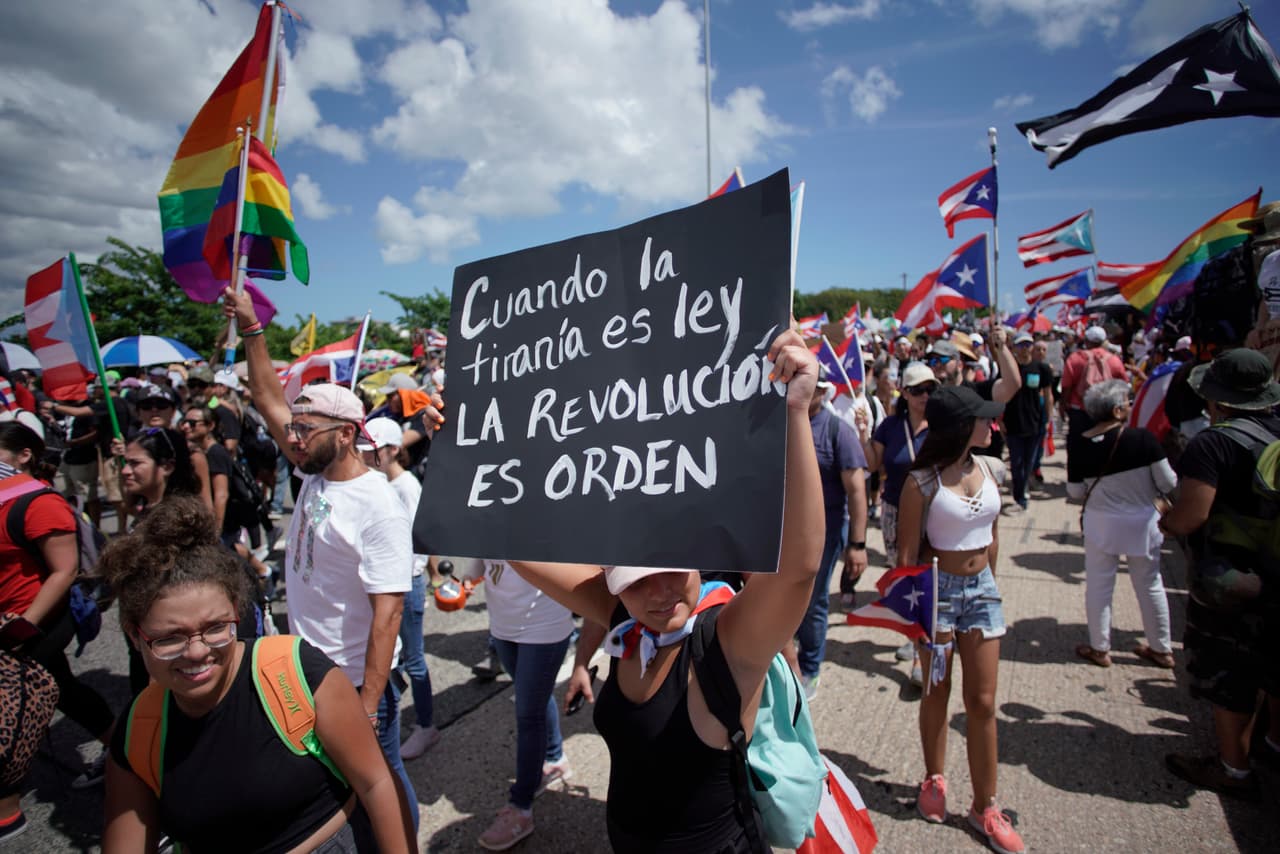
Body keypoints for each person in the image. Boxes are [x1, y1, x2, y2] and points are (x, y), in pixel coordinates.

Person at [508, 328, 824, 852]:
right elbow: (513, 545)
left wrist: (795, 413)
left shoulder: (728, 644)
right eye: (636, 582)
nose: (658, 594)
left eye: (672, 570)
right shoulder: (624, 618)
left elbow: (798, 569)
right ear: (614, 584)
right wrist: (472, 441)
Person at [99, 496, 416, 853]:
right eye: (170, 638)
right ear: (134, 636)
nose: (197, 651)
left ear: (236, 612)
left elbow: (376, 782)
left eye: (215, 628)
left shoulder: (294, 672)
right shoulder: (139, 730)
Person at [226, 286, 420, 826]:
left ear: (346, 434)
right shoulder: (313, 469)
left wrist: (367, 704)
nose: (293, 437)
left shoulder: (377, 504)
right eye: (295, 427)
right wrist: (252, 329)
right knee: (338, 784)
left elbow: (389, 614)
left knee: (381, 781)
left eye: (305, 429)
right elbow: (267, 397)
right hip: (304, 667)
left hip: (354, 681)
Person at [897, 386, 1025, 854]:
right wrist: (914, 621)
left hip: (982, 592)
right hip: (937, 594)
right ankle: (934, 779)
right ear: (959, 426)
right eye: (983, 418)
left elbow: (993, 534)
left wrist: (991, 583)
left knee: (983, 702)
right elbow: (905, 557)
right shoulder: (921, 482)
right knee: (937, 690)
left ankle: (985, 806)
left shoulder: (991, 469)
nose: (992, 425)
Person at [1159, 349, 1280, 799]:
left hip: (1231, 580)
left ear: (1216, 397)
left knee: (1229, 675)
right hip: (1276, 573)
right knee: (1274, 666)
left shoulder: (1213, 444)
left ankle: (1234, 769)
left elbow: (1191, 515)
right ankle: (1273, 744)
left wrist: (1167, 520)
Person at [0, 422, 117, 790]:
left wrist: (22, 627)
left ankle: (125, 755)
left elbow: (64, 571)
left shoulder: (40, 502)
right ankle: (123, 752)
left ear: (24, 456)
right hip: (10, 618)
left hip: (36, 619)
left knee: (57, 689)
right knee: (62, 688)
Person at [1067, 380, 1176, 669]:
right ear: (1117, 410)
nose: (1130, 405)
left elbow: (1075, 492)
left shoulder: (1080, 443)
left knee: (1099, 585)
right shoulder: (1144, 439)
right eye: (1127, 401)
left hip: (1100, 524)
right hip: (1144, 523)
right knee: (1150, 584)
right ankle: (1161, 648)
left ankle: (1100, 647)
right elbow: (1168, 482)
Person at [472, 559, 575, 851]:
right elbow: (479, 556)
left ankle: (521, 808)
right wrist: (467, 575)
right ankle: (555, 758)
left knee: (528, 714)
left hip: (544, 625)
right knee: (534, 697)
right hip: (502, 623)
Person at [356, 417, 440, 760]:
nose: (365, 456)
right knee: (395, 657)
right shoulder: (376, 484)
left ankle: (426, 725)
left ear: (393, 450)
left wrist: (425, 574)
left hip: (407, 583)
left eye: (373, 450)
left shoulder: (406, 486)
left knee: (413, 658)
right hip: (389, 583)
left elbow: (422, 535)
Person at [859, 362, 935, 682]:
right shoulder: (890, 426)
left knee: (927, 576)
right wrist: (863, 434)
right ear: (904, 392)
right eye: (917, 390)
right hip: (894, 511)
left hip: (933, 510)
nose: (925, 396)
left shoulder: (941, 426)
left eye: (930, 389)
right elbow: (872, 464)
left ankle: (922, 652)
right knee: (904, 575)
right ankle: (914, 636)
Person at [797, 379, 867, 698]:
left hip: (825, 533)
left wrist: (857, 544)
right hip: (786, 533)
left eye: (810, 384)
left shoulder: (839, 431)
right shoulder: (781, 423)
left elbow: (857, 491)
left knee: (813, 600)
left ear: (823, 392)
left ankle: (810, 668)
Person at [1002, 333, 1055, 514]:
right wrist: (999, 419)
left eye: (1028, 344)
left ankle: (1023, 492)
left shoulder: (1042, 369)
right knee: (1016, 463)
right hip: (1013, 422)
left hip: (1035, 423)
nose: (1024, 349)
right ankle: (1020, 498)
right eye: (1021, 345)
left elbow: (1048, 395)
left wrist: (1048, 419)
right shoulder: (1010, 368)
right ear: (1014, 348)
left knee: (1029, 462)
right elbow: (1000, 394)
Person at [1059, 326, 1127, 443]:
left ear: (1086, 341)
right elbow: (1122, 386)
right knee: (1104, 447)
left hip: (1079, 410)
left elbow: (1067, 386)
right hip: (1106, 411)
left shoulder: (1075, 358)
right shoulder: (1114, 360)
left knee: (1078, 444)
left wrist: (1063, 405)